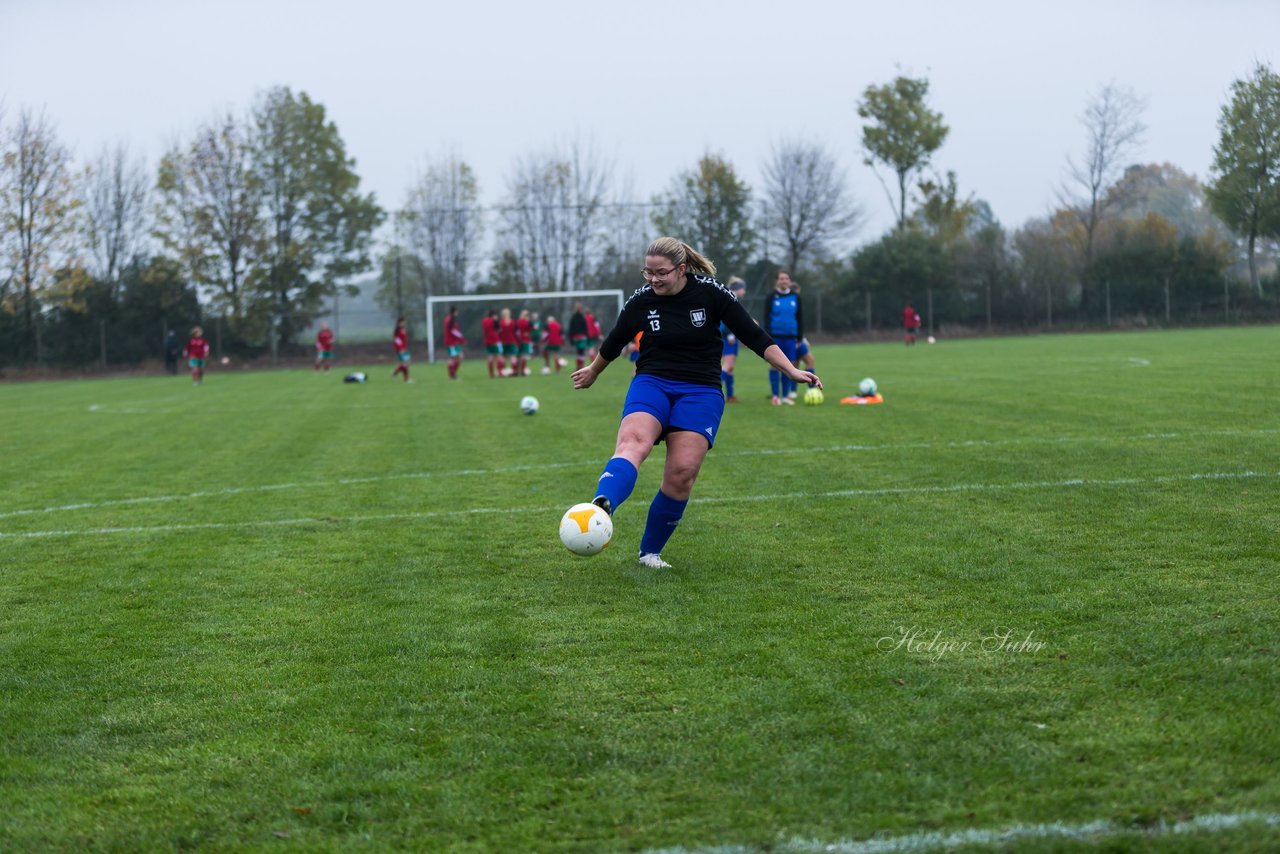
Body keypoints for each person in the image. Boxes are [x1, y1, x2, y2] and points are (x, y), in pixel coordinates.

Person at [572, 237, 821, 569]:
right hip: (652, 382)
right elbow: (615, 340)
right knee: (633, 443)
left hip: (701, 389)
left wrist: (790, 369)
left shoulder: (711, 293)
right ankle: (602, 505)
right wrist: (593, 371)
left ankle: (649, 553)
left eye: (661, 273)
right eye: (648, 272)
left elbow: (754, 335)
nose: (653, 279)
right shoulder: (641, 301)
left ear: (681, 268)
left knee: (682, 472)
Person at [763, 270, 803, 405]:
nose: (784, 281)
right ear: (777, 281)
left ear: (790, 281)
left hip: (791, 337)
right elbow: (766, 317)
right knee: (774, 365)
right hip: (775, 337)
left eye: (786, 278)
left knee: (789, 365)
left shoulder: (795, 297)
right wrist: (767, 336)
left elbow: (800, 317)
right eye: (781, 279)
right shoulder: (771, 296)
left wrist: (799, 337)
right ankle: (775, 395)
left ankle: (786, 396)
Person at [719, 277, 747, 402]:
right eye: (743, 289)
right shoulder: (730, 297)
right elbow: (724, 318)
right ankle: (714, 388)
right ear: (738, 289)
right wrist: (729, 334)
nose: (744, 292)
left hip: (729, 337)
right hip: (727, 338)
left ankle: (730, 396)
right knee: (727, 365)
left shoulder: (729, 296)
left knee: (730, 368)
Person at [443, 305, 465, 379]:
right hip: (451, 342)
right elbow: (452, 330)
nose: (458, 313)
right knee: (453, 358)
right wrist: (460, 336)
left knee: (459, 357)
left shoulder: (450, 319)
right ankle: (452, 375)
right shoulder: (449, 319)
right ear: (454, 311)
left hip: (453, 342)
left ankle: (453, 374)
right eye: (457, 311)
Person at [497, 307, 518, 376]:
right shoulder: (512, 322)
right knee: (513, 356)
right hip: (512, 341)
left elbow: (498, 333)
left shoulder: (500, 323)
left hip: (503, 342)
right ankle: (514, 371)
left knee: (502, 357)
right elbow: (515, 332)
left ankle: (501, 371)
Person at [481, 309, 502, 377]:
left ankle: (491, 373)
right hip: (495, 341)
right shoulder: (494, 321)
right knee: (499, 356)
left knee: (490, 357)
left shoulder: (484, 321)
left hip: (487, 341)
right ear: (493, 315)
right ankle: (499, 372)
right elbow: (499, 330)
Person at [569, 303, 590, 370]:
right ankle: (581, 366)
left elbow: (571, 329)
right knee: (582, 352)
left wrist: (571, 339)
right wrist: (587, 336)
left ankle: (578, 366)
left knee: (579, 352)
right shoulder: (582, 317)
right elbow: (585, 328)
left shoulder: (573, 317)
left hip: (576, 338)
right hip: (582, 337)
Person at [392, 316, 411, 383]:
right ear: (399, 322)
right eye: (403, 322)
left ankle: (395, 373)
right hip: (400, 349)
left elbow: (404, 339)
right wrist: (400, 349)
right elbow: (396, 340)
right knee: (405, 363)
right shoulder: (397, 330)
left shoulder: (403, 329)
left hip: (404, 348)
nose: (404, 323)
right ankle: (406, 379)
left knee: (406, 363)